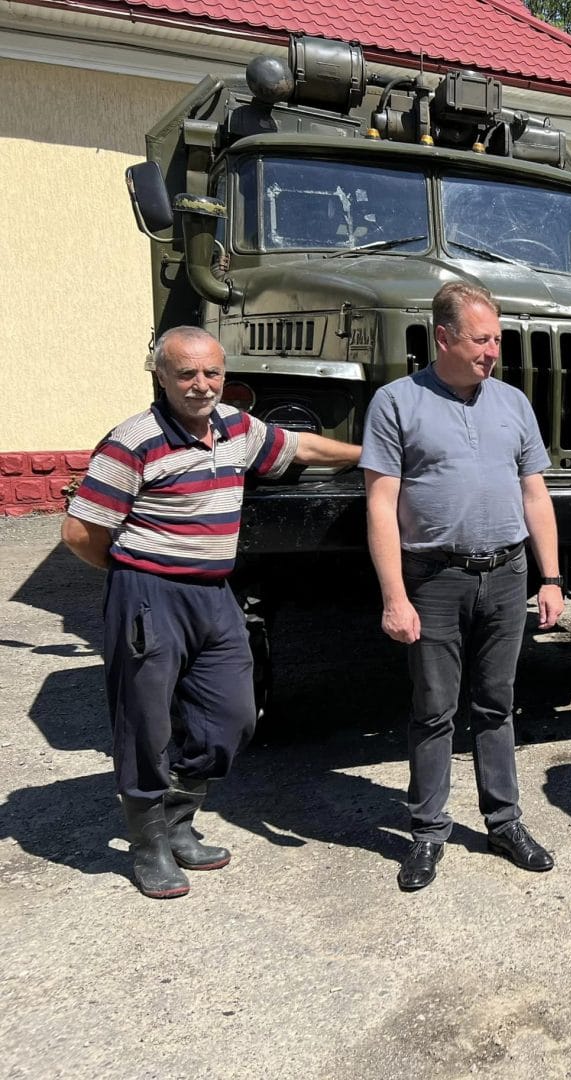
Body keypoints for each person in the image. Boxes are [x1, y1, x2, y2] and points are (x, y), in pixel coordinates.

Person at [61, 326, 362, 899]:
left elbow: (301, 447)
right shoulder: (134, 440)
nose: (201, 385)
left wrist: (374, 455)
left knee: (233, 714)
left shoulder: (236, 427)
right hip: (149, 592)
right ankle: (148, 843)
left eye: (212, 373)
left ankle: (178, 819)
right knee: (144, 723)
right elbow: (79, 531)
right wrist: (136, 573)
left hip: (214, 593)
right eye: (186, 374)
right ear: (160, 375)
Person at [361, 281, 564, 892]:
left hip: (506, 574)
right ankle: (427, 832)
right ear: (443, 336)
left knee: (497, 705)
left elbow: (536, 495)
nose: (492, 351)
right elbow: (380, 503)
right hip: (434, 577)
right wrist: (394, 596)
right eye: (481, 339)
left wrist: (551, 576)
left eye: (496, 339)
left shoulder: (513, 403)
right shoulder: (396, 403)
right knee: (433, 710)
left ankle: (504, 822)